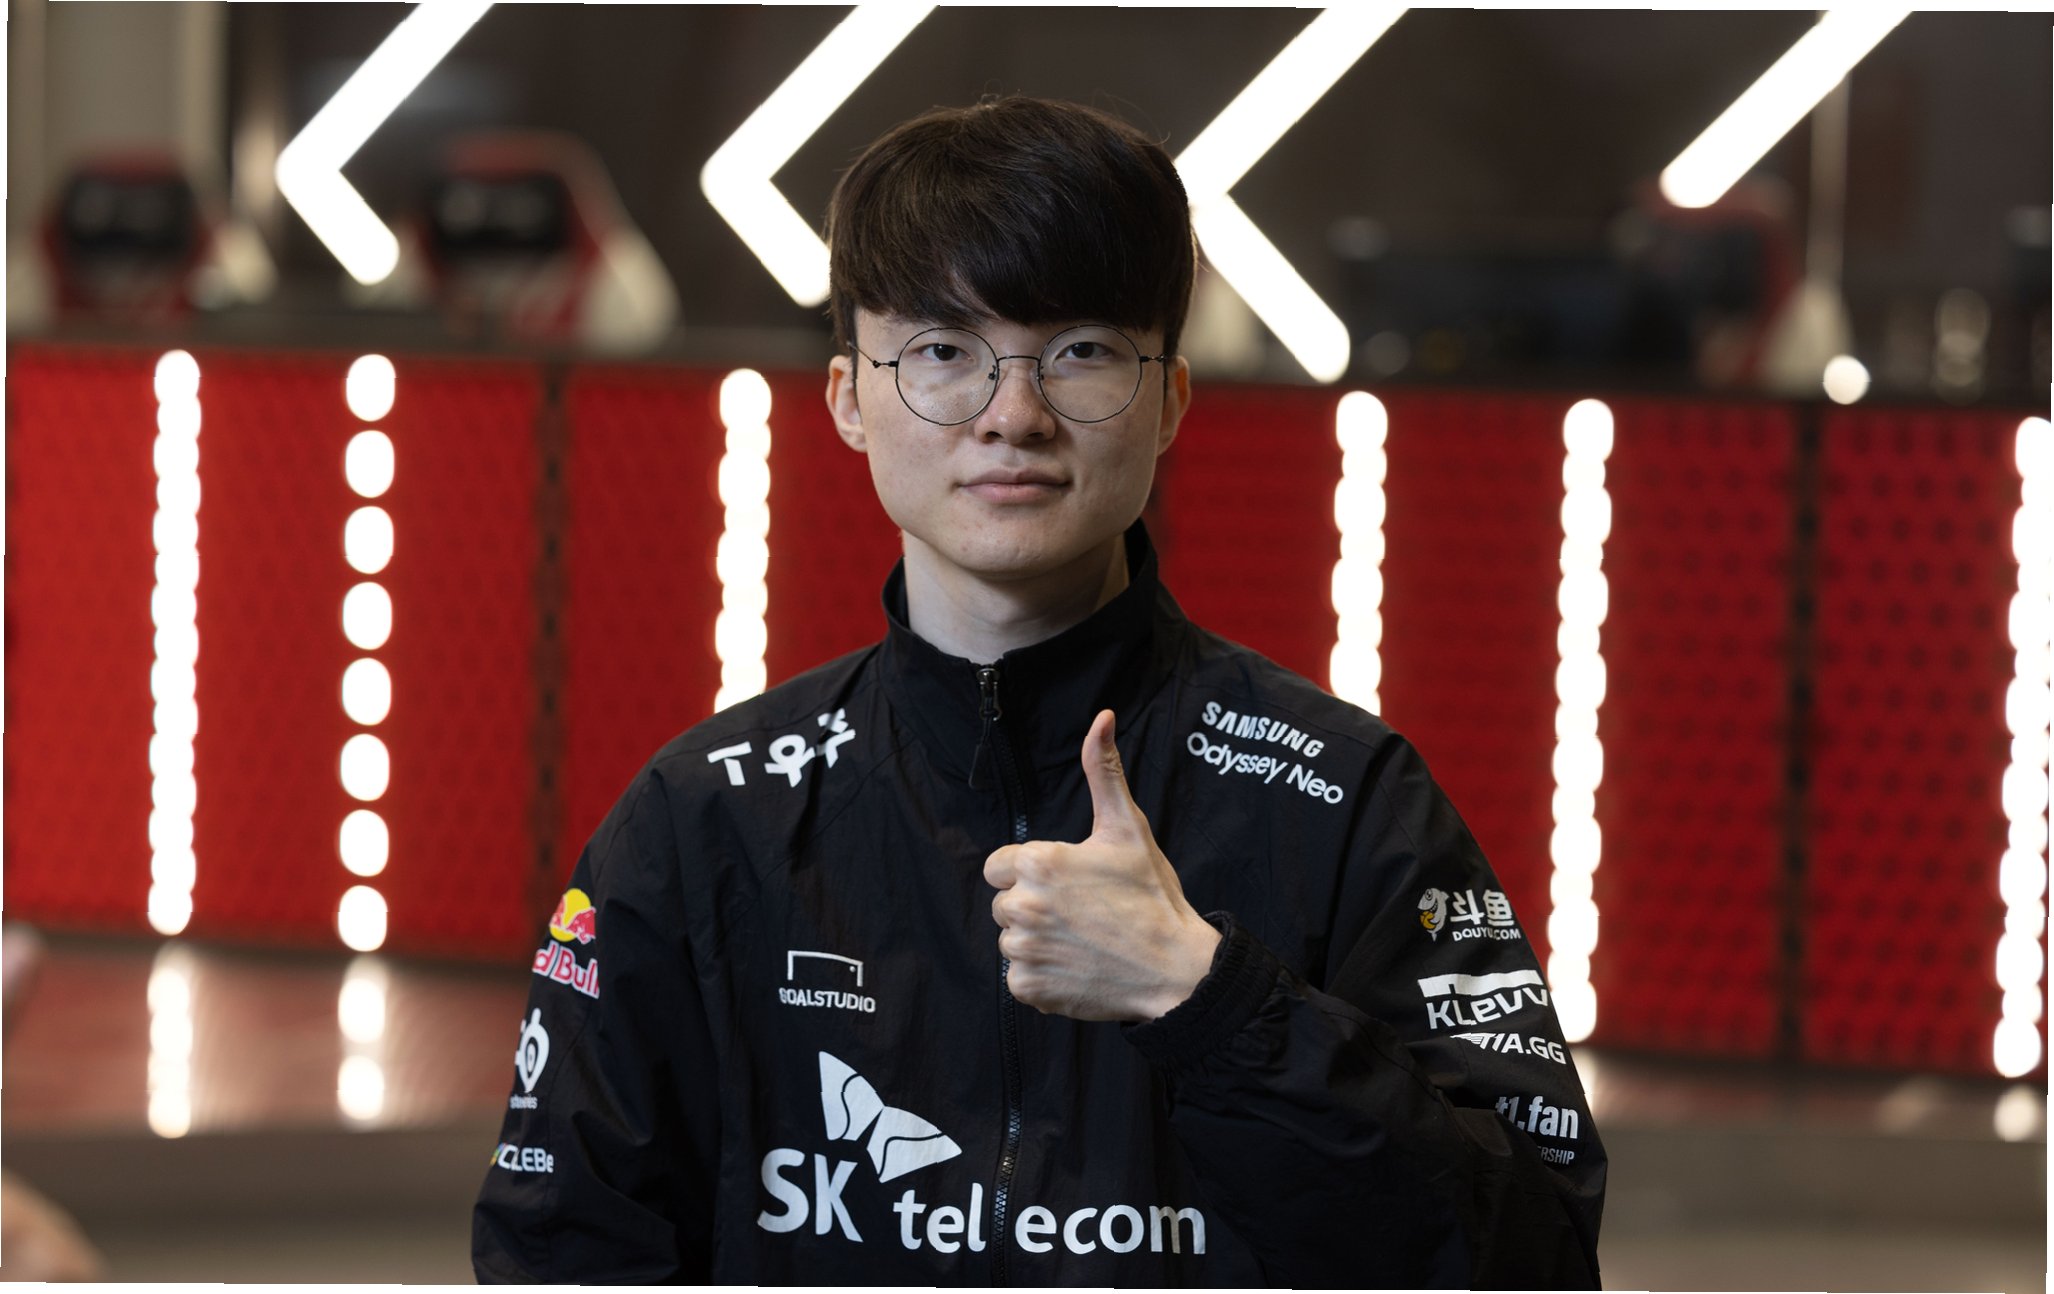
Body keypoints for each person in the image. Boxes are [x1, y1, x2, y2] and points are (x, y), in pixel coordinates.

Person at [472, 96, 1604, 1287]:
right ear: (848, 396)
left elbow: (1532, 1261)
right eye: (941, 351)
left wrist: (1209, 998)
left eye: (1080, 351)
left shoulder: (1347, 803)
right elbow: (557, 1254)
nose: (1012, 416)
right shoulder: (701, 821)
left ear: (1168, 398)